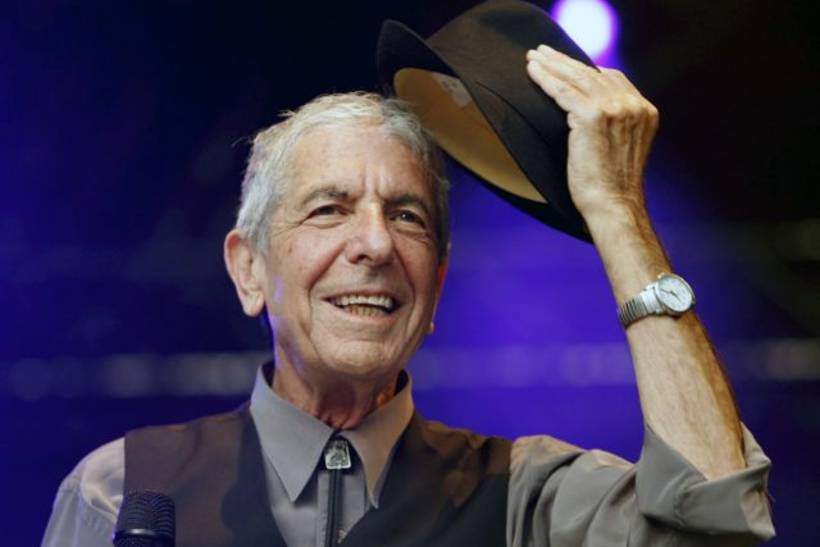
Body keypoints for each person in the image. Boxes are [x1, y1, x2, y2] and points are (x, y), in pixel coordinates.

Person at [42, 44, 775, 547]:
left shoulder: (525, 500)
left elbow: (719, 519)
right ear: (249, 270)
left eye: (407, 216)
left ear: (437, 286)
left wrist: (618, 212)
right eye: (329, 209)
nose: (376, 243)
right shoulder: (123, 492)